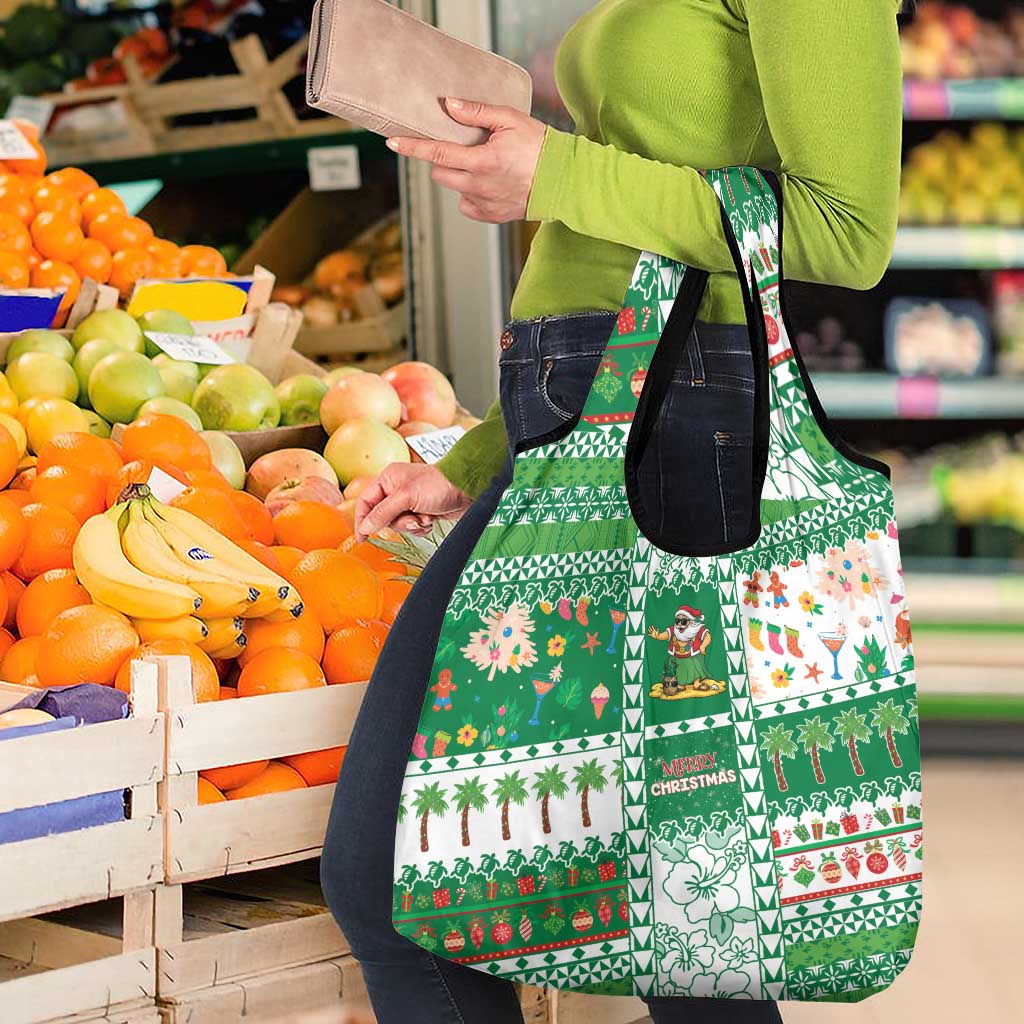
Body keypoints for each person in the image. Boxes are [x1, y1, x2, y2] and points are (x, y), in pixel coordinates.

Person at [321, 2, 904, 1021]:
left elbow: (847, 229)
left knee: (676, 932)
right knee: (668, 928)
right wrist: (478, 456)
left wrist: (557, 172)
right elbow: (618, 247)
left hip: (679, 436)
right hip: (587, 429)